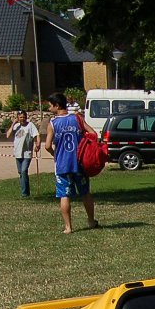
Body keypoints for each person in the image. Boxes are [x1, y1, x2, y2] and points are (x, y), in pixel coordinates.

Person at [43, 92, 98, 235]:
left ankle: (68, 227)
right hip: (79, 163)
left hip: (62, 165)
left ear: (57, 105)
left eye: (50, 106)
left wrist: (55, 154)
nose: (49, 109)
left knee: (64, 195)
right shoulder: (77, 118)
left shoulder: (53, 124)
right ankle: (91, 220)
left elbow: (47, 145)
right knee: (85, 192)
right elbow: (92, 134)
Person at [6, 109, 40, 197]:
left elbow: (36, 135)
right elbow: (8, 135)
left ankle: (25, 193)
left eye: (24, 117)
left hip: (27, 153)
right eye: (20, 117)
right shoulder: (16, 126)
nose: (22, 118)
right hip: (17, 153)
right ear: (17, 118)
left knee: (24, 171)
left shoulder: (30, 125)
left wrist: (38, 144)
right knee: (21, 173)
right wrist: (13, 124)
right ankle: (25, 191)